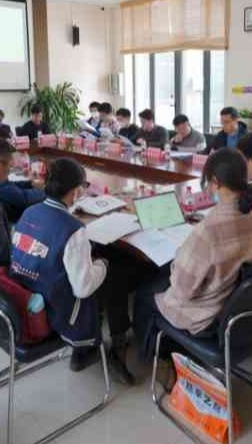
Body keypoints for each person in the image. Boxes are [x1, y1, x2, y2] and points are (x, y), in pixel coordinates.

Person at [11, 158, 153, 385]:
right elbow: (83, 288)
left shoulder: (29, 212)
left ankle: (86, 351)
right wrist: (102, 264)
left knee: (102, 267)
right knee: (116, 276)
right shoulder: (72, 228)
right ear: (76, 191)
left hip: (29, 295)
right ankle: (115, 349)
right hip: (58, 311)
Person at [133, 148, 252, 361]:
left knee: (144, 295)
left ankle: (159, 359)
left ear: (215, 182)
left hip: (209, 318)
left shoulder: (208, 231)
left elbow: (182, 291)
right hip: (245, 311)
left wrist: (179, 259)